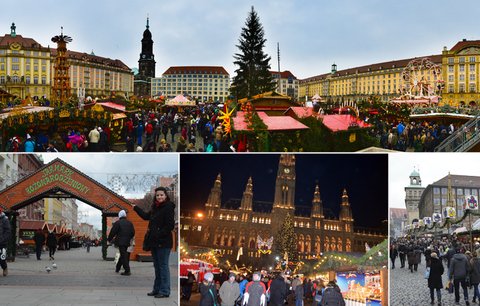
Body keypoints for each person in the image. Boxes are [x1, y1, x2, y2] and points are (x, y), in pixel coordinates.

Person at [133, 187, 175, 298]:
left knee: (163, 266)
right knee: (157, 267)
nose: (160, 197)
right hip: (154, 242)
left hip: (163, 242)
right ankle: (157, 289)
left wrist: (158, 233)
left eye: (161, 195)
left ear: (166, 196)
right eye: (157, 195)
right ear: (155, 197)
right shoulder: (155, 208)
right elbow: (146, 216)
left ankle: (165, 290)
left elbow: (170, 226)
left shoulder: (168, 207)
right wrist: (136, 208)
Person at [108, 210, 135, 276]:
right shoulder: (130, 223)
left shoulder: (118, 223)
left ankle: (127, 270)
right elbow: (133, 232)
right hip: (127, 242)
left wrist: (109, 239)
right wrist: (128, 238)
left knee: (123, 255)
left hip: (120, 242)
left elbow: (113, 232)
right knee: (123, 254)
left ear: (119, 216)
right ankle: (117, 268)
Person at [0, 208, 11, 277]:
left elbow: (8, 231)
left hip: (2, 243)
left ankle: (4, 268)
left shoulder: (5, 220)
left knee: (2, 258)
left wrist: (2, 239)